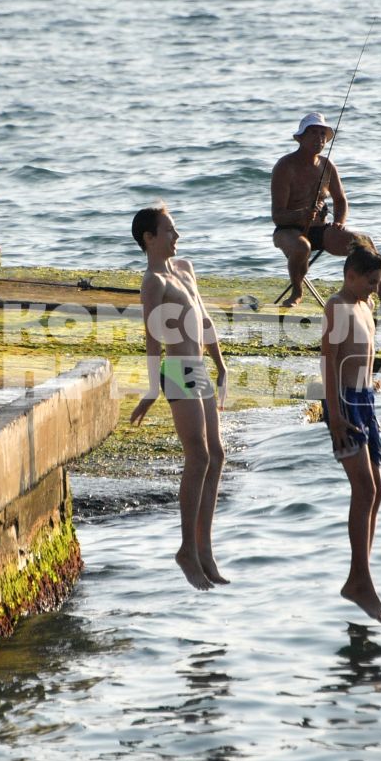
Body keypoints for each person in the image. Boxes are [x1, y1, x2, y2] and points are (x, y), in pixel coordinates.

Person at [128, 203, 231, 591]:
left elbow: (204, 320)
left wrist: (221, 364)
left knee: (217, 455)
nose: (177, 236)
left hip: (200, 369)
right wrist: (152, 389)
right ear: (149, 239)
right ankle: (187, 549)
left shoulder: (184, 268)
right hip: (178, 371)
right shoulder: (152, 282)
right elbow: (152, 338)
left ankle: (204, 549)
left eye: (175, 229)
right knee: (198, 455)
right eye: (169, 231)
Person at [323, 238, 381, 623]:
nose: (375, 289)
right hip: (344, 403)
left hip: (365, 399)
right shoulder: (337, 306)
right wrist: (333, 414)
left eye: (377, 282)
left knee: (377, 491)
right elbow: (329, 360)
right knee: (363, 489)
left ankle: (359, 577)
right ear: (350, 276)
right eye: (370, 282)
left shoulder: (364, 304)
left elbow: (360, 352)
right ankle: (360, 580)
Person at [271, 112, 381, 307]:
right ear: (301, 138)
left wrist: (339, 222)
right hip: (289, 230)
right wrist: (301, 214)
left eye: (322, 134)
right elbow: (277, 216)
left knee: (365, 242)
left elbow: (341, 200)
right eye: (313, 133)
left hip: (321, 230)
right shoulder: (285, 166)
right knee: (303, 247)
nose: (319, 139)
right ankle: (297, 291)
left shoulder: (327, 166)